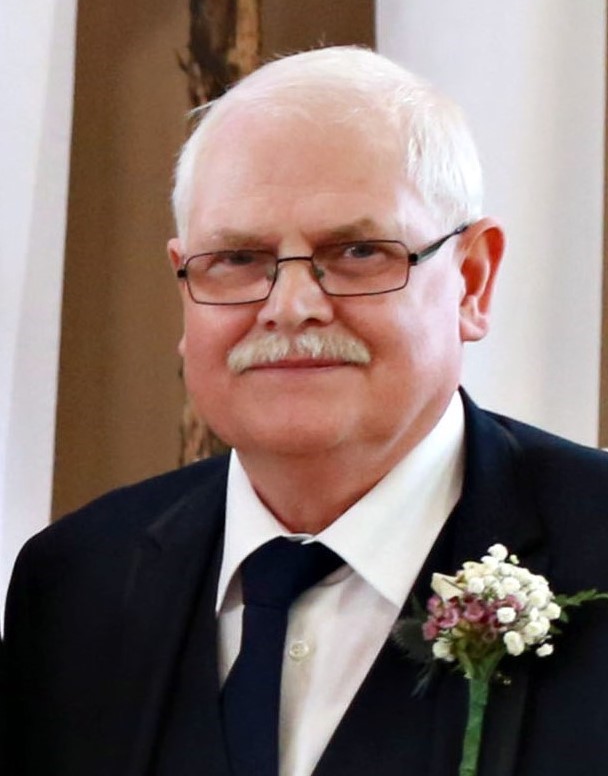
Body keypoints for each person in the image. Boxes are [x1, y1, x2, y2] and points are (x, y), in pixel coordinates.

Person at [4, 46, 608, 776]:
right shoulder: (73, 584)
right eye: (237, 259)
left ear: (472, 282)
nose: (290, 307)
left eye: (358, 251)